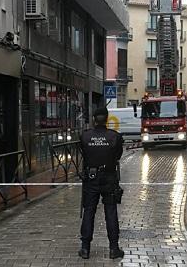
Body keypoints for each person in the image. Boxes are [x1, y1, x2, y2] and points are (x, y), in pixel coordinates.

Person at [78, 107, 125, 260]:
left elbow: (84, 154)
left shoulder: (85, 136)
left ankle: (85, 248)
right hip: (109, 178)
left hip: (91, 179)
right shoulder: (114, 137)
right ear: (106, 119)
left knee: (89, 212)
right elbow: (117, 155)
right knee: (110, 212)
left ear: (93, 119)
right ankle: (113, 248)